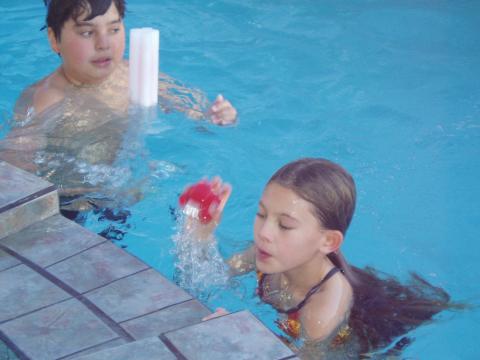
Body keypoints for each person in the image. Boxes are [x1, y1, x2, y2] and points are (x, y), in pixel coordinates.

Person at [180, 158, 455, 359]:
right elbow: (204, 279)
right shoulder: (264, 253)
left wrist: (243, 334)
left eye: (285, 225)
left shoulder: (323, 308)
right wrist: (200, 232)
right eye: (261, 214)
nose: (264, 233)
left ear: (328, 241)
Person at [0, 0, 237, 216]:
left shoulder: (133, 74)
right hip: (72, 202)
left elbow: (194, 112)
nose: (103, 43)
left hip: (128, 187)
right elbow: (13, 169)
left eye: (114, 29)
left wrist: (215, 116)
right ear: (54, 39)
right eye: (86, 32)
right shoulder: (45, 99)